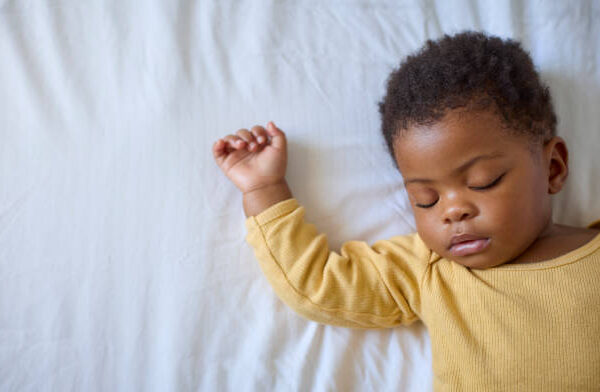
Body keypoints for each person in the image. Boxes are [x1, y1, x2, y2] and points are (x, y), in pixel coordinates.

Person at [212, 31, 600, 390]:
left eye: (483, 181)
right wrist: (265, 190)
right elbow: (319, 286)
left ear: (553, 168)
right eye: (425, 200)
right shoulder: (430, 270)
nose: (452, 211)